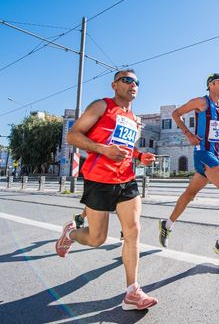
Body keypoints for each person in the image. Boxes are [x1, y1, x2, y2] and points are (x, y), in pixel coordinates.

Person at [56, 69, 158, 311]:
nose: (133, 85)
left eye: (137, 82)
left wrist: (140, 155)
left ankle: (132, 292)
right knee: (96, 238)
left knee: (133, 232)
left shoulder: (133, 118)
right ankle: (69, 235)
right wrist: (103, 150)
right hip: (98, 179)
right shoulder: (102, 106)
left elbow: (125, 148)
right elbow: (73, 136)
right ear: (114, 85)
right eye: (127, 80)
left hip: (126, 180)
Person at [158, 73, 219, 260]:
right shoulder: (201, 102)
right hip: (203, 153)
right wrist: (188, 134)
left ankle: (167, 225)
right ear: (211, 85)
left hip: (216, 154)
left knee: (190, 194)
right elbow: (175, 114)